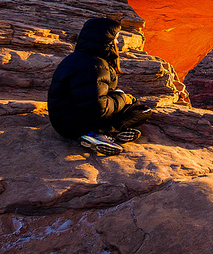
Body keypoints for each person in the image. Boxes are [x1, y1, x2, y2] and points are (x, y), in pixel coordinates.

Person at [48, 17, 152, 155]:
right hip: (76, 125)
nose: (117, 43)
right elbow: (98, 108)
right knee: (142, 111)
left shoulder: (75, 58)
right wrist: (122, 97)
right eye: (115, 38)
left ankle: (109, 133)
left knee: (133, 105)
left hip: (62, 122)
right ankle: (101, 134)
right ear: (106, 41)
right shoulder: (96, 65)